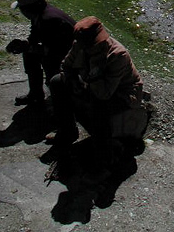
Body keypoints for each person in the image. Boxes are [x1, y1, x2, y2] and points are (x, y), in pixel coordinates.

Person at [48, 16, 147, 163]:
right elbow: (66, 66)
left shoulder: (117, 54)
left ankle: (104, 154)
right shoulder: (79, 46)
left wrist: (94, 69)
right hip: (92, 85)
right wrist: (73, 81)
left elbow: (104, 94)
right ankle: (68, 131)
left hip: (122, 92)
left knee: (98, 106)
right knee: (56, 82)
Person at [6, 0, 76, 106]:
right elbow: (36, 35)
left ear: (27, 9)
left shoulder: (49, 19)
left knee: (47, 61)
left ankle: (59, 103)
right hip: (60, 50)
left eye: (22, 9)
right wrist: (25, 43)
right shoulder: (39, 13)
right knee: (30, 54)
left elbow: (55, 50)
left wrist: (28, 48)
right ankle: (35, 94)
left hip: (71, 55)